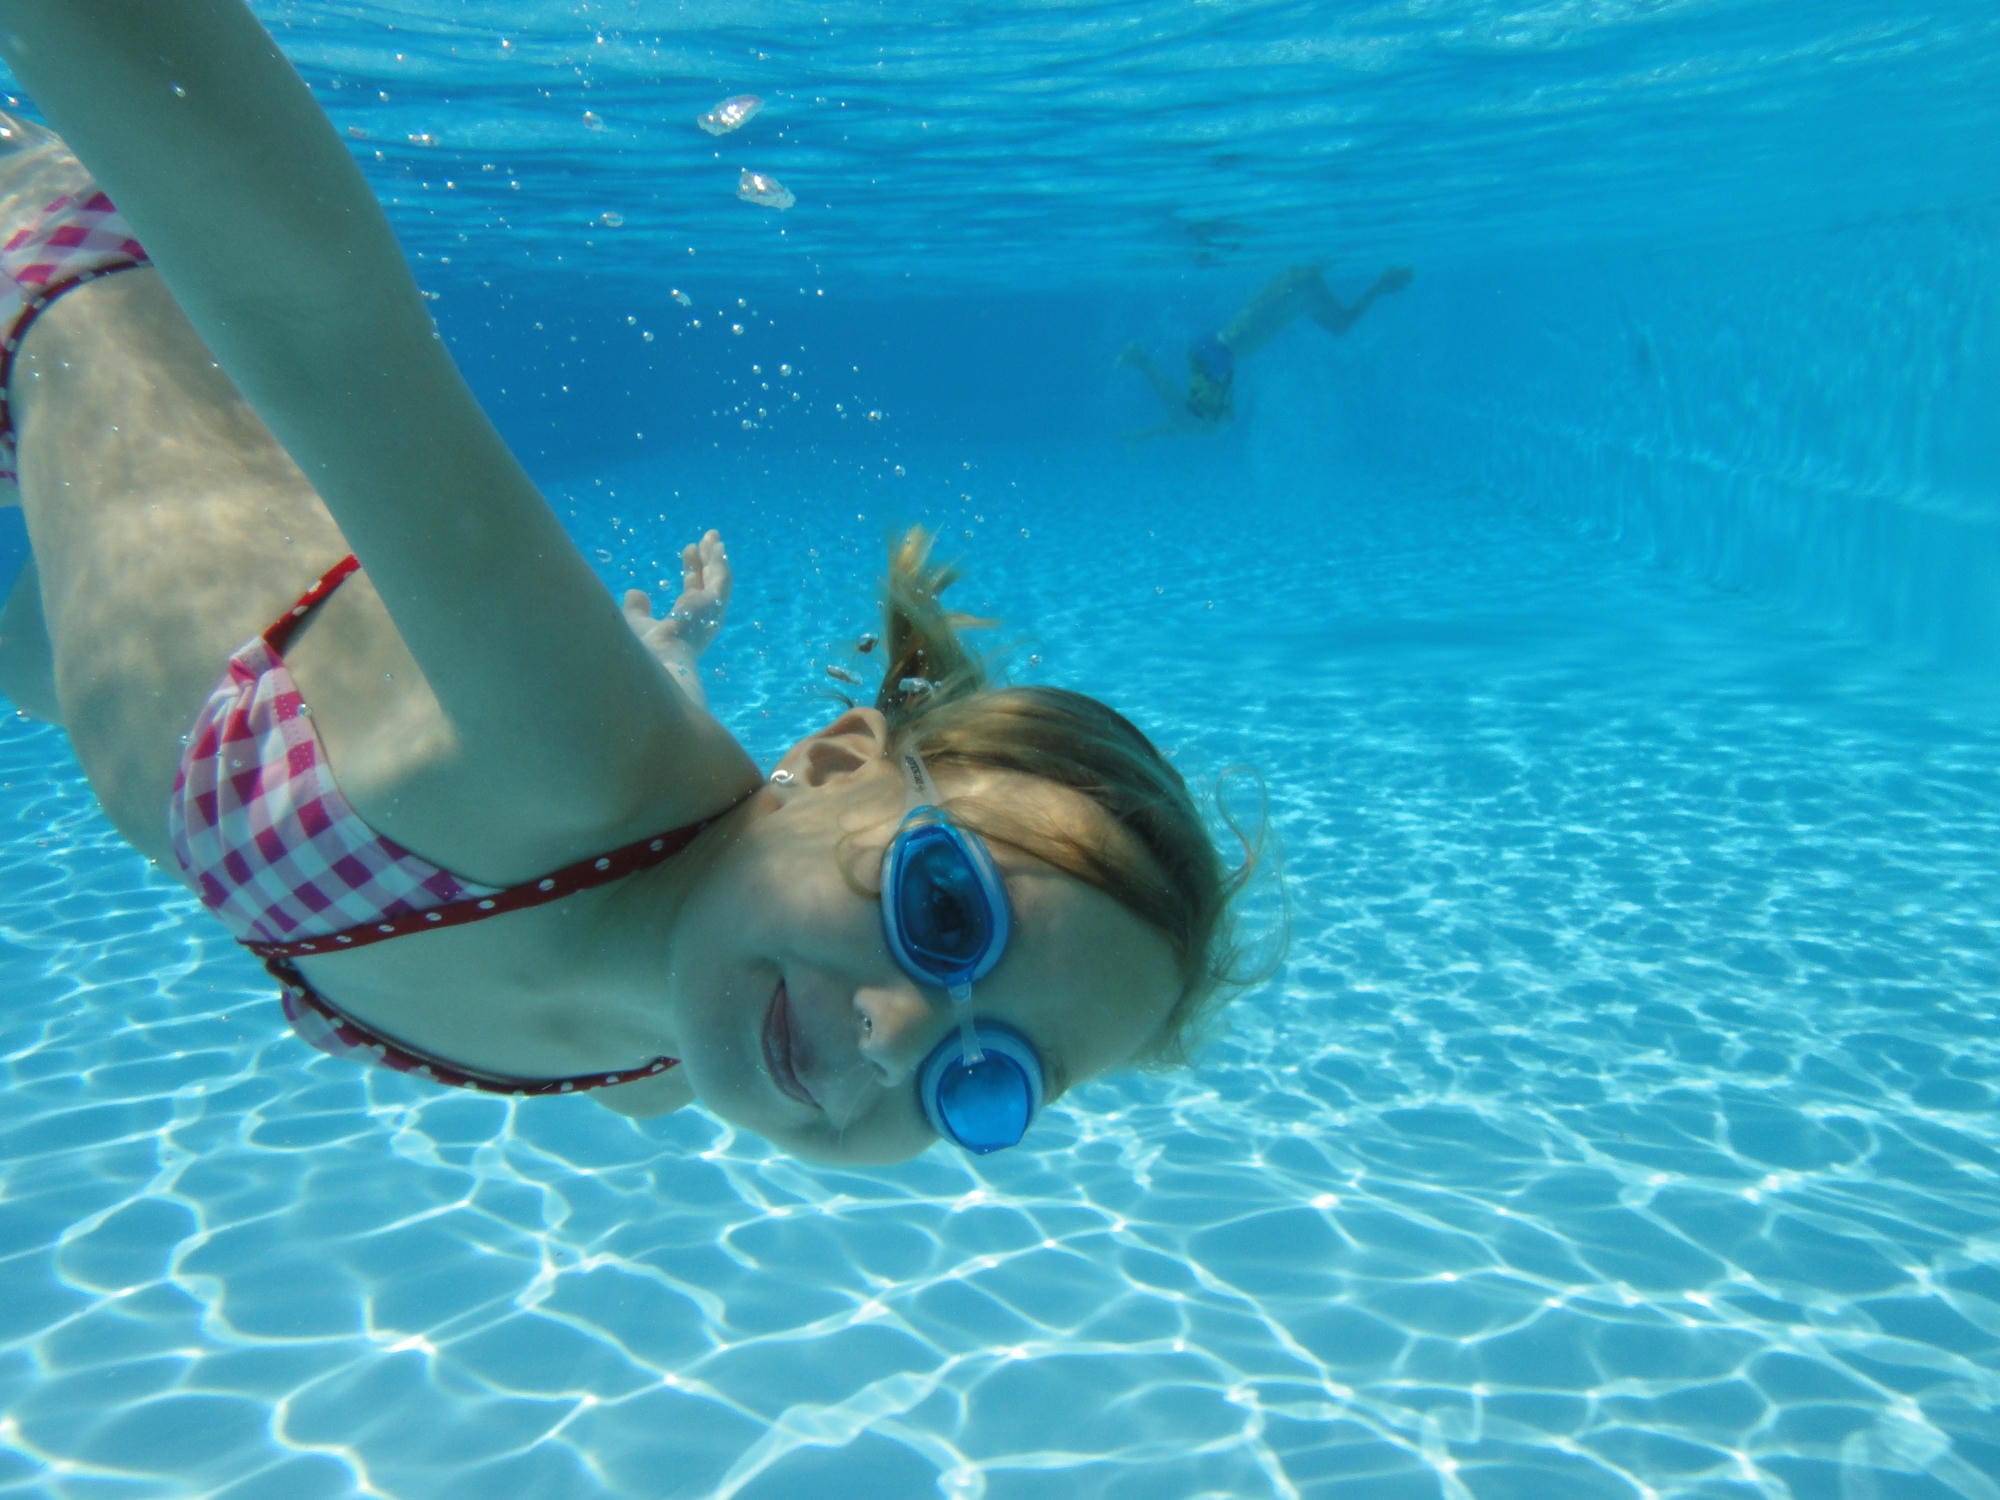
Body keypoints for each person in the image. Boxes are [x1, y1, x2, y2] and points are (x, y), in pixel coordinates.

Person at [0, 2, 1261, 1165]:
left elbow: (711, 834)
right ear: (827, 761)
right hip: (63, 287)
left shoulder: (652, 1065)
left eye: (987, 1079)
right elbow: (317, 317)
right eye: (943, 909)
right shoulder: (572, 752)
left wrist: (671, 656)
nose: (892, 1039)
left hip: (77, 604)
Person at [1117, 263, 1413, 437]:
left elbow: (1339, 326)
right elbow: (1339, 323)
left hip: (1219, 353)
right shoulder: (1303, 280)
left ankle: (1142, 432)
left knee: (1210, 423)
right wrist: (1381, 286)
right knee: (1200, 423)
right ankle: (1140, 361)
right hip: (1218, 352)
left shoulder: (1306, 287)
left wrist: (1381, 287)